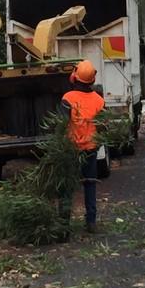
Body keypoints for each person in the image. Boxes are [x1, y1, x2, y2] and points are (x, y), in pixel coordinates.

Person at [60, 59, 105, 234]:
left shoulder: (68, 98)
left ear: (74, 77)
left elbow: (61, 124)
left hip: (71, 148)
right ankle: (91, 221)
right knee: (90, 184)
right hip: (91, 148)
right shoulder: (99, 101)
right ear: (92, 80)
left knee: (66, 186)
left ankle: (64, 223)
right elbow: (102, 126)